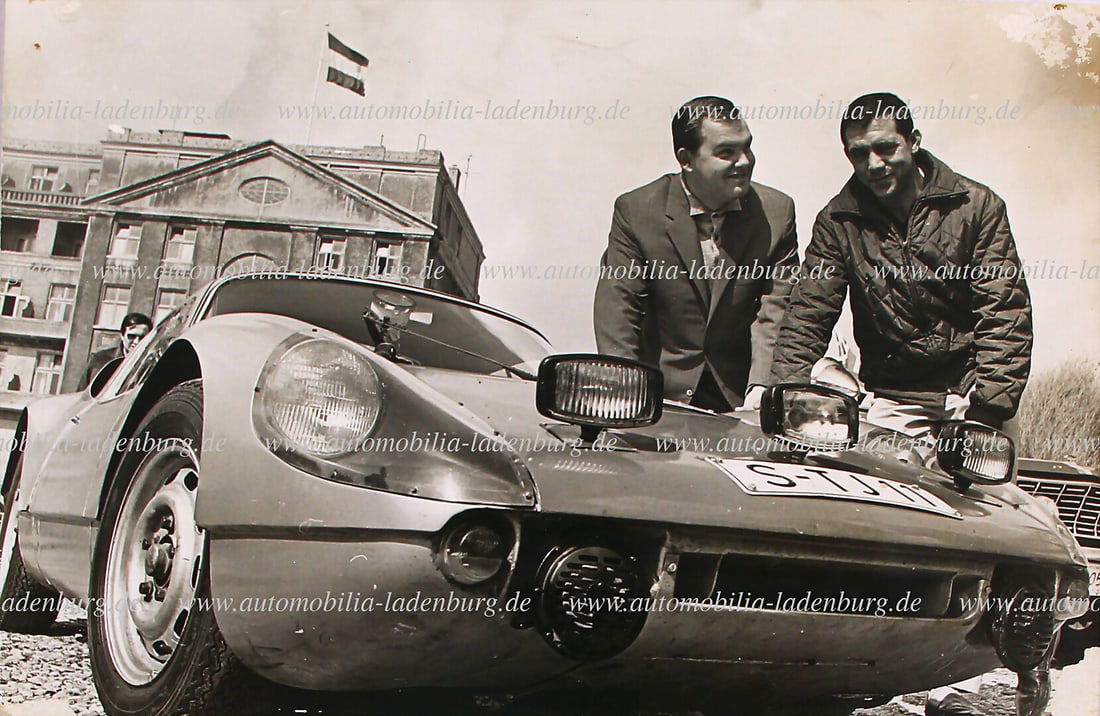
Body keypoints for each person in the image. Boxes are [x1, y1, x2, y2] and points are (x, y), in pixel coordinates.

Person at [769, 92, 1035, 716]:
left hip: (969, 388)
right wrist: (784, 392)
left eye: (885, 147)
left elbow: (1004, 311)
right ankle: (892, 660)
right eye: (858, 154)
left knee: (989, 513)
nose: (874, 163)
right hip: (891, 390)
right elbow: (810, 308)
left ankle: (1005, 663)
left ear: (912, 142)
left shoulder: (976, 206)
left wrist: (988, 409)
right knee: (888, 509)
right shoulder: (840, 219)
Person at [594, 96, 798, 412]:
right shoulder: (636, 211)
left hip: (739, 399)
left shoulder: (776, 213)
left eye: (747, 147)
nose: (744, 162)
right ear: (686, 159)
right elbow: (619, 307)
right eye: (726, 152)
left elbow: (776, 308)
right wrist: (625, 388)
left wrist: (761, 387)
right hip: (655, 394)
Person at [79, 312, 153, 390]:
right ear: (122, 335)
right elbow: (82, 395)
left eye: (142, 337)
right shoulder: (100, 360)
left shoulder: (151, 365)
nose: (136, 341)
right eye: (131, 336)